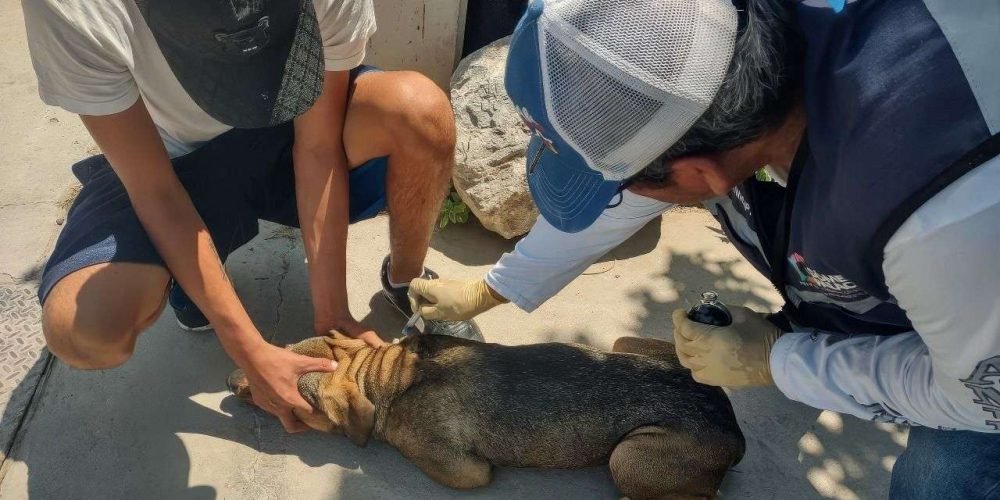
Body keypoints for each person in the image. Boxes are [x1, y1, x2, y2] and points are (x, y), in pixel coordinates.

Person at [408, 0, 1000, 496]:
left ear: (699, 175)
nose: (626, 196)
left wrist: (779, 361)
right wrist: (495, 286)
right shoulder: (722, 51)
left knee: (944, 472)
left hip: (977, 296)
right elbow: (638, 190)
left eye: (620, 181)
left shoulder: (941, 218)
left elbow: (981, 400)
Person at [23, 0, 480, 434]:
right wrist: (250, 352)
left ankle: (405, 280)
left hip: (289, 128)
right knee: (83, 331)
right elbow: (155, 191)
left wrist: (332, 313)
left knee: (420, 110)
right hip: (170, 162)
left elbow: (319, 148)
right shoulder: (73, 9)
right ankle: (191, 280)